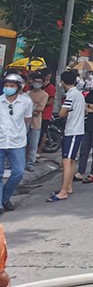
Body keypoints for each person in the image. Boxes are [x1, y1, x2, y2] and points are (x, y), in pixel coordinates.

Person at [48, 71, 85, 203]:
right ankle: (68, 187)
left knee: (66, 161)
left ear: (63, 82)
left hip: (72, 131)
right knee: (71, 160)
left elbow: (62, 113)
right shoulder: (78, 94)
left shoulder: (71, 95)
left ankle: (63, 191)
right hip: (77, 130)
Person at [0, 73, 33, 212]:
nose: (8, 88)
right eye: (6, 85)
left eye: (11, 86)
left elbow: (27, 120)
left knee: (18, 172)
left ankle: (5, 197)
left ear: (18, 87)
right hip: (0, 142)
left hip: (17, 143)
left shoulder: (26, 102)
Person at [25, 71, 48, 172]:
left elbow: (40, 109)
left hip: (36, 122)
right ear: (32, 81)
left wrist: (32, 109)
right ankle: (21, 162)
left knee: (33, 144)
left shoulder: (44, 94)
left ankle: (30, 163)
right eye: (36, 81)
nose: (37, 83)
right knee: (22, 143)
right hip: (24, 122)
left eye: (40, 81)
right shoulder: (27, 93)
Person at [37, 70, 56, 156]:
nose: (47, 77)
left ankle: (39, 151)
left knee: (42, 132)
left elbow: (50, 101)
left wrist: (40, 103)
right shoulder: (39, 87)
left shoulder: (51, 88)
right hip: (37, 114)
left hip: (45, 114)